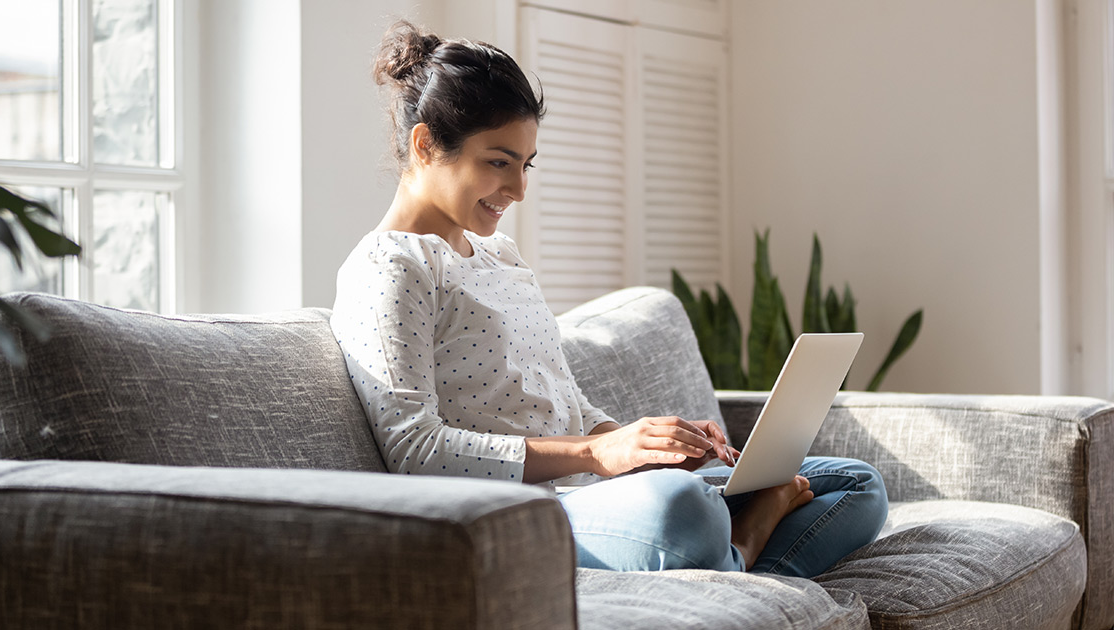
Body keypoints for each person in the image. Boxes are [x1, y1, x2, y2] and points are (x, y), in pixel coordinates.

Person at [330, 20, 888, 578]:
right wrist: (596, 455)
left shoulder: (501, 257)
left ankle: (735, 572)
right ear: (425, 144)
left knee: (856, 484)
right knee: (684, 509)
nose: (519, 189)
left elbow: (567, 406)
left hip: (596, 499)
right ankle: (745, 542)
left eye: (525, 166)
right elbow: (416, 452)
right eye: (498, 162)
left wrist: (643, 445)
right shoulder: (390, 268)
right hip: (517, 514)